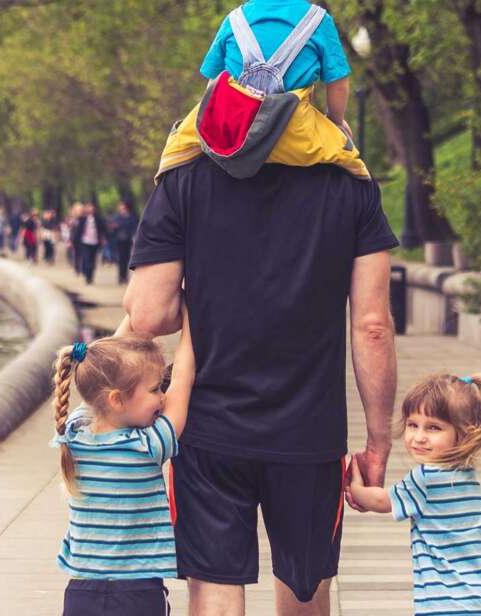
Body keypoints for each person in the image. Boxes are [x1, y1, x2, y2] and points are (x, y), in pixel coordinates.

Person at [123, 156, 399, 615]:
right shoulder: (349, 183)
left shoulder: (184, 176)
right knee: (305, 591)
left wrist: (205, 301)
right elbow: (373, 326)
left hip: (208, 429)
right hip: (310, 433)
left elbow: (149, 315)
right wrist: (378, 439)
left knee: (214, 591)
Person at [50, 314, 196, 616]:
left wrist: (136, 314)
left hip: (80, 593)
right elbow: (183, 379)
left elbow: (101, 377)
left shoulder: (74, 434)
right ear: (117, 400)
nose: (162, 398)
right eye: (155, 389)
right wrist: (191, 317)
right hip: (138, 593)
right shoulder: (148, 446)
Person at [344, 374, 481, 616]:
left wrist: (355, 487)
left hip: (450, 605)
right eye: (412, 425)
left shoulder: (426, 478)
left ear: (464, 433)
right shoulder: (467, 477)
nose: (419, 437)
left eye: (433, 428)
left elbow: (381, 501)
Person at [155, 0, 368, 182]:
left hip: (234, 130)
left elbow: (213, 83)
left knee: (174, 153)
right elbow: (338, 83)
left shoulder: (233, 20)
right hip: (297, 131)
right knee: (355, 170)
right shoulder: (320, 21)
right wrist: (336, 121)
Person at [73, 203, 108, 285]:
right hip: (85, 242)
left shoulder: (98, 219)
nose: (90, 209)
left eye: (92, 207)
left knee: (93, 260)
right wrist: (75, 240)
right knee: (87, 259)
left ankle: (90, 277)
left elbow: (103, 229)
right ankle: (87, 275)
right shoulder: (83, 219)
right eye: (89, 207)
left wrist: (105, 238)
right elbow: (78, 231)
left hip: (95, 242)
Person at [109, 202, 139, 285]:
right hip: (119, 241)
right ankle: (121, 277)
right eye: (121, 208)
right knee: (120, 259)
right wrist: (114, 227)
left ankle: (124, 276)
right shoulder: (117, 217)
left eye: (123, 208)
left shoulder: (132, 217)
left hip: (128, 241)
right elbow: (112, 229)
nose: (122, 210)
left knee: (126, 259)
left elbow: (135, 227)